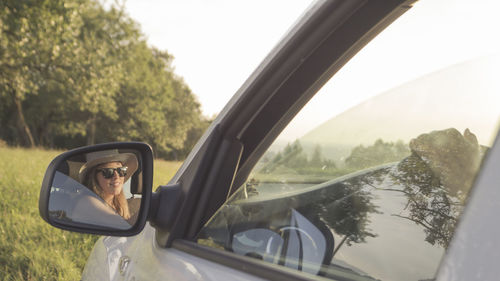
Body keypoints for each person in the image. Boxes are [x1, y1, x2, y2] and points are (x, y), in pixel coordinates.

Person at [76, 149, 139, 225]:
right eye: (108, 172)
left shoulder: (118, 202)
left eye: (121, 170)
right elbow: (124, 225)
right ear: (93, 176)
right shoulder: (87, 201)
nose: (116, 176)